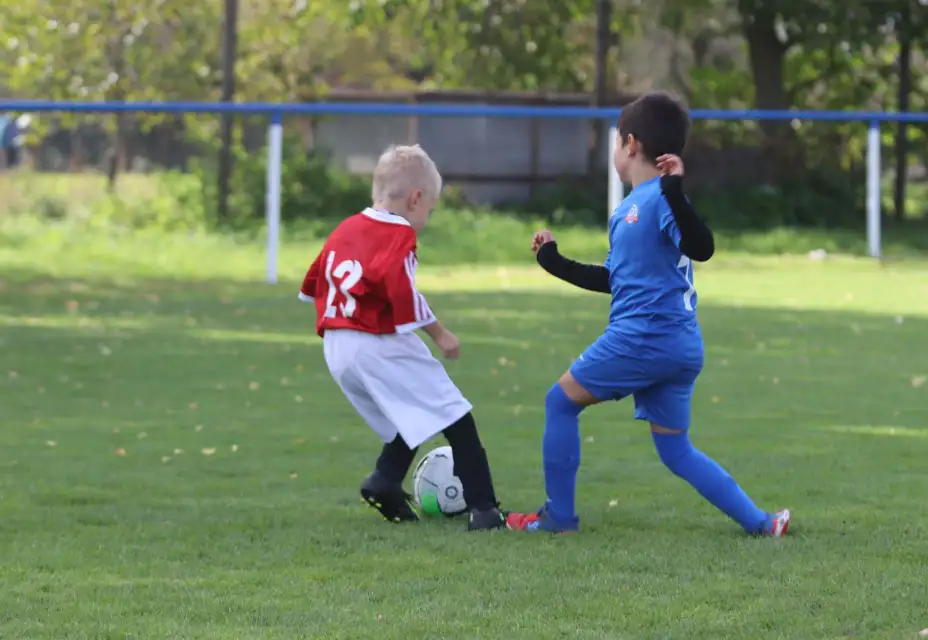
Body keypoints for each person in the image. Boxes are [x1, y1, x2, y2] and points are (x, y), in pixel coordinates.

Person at [505, 92, 790, 536]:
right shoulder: (632, 207)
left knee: (559, 403)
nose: (615, 151)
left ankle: (558, 518)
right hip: (679, 344)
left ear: (631, 144)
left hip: (644, 338)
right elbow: (616, 281)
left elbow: (702, 247)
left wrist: (676, 191)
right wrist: (555, 263)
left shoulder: (659, 198)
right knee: (676, 451)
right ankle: (761, 523)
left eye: (617, 142)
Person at [299, 144, 506, 531]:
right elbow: (402, 292)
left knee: (407, 416)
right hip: (374, 341)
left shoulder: (346, 227)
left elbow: (313, 281)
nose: (427, 216)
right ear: (416, 198)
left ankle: (384, 483)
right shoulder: (398, 235)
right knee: (455, 412)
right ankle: (485, 511)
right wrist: (441, 334)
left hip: (337, 344)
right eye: (431, 208)